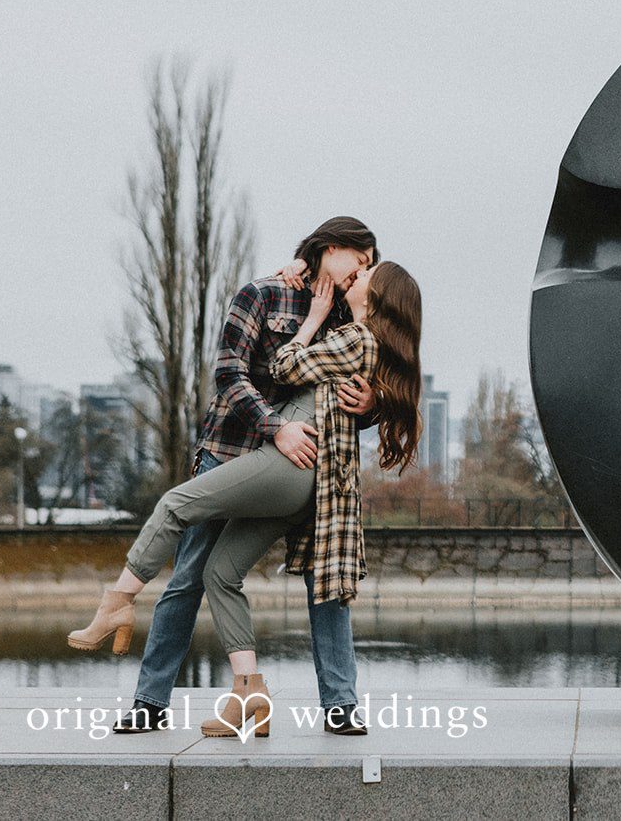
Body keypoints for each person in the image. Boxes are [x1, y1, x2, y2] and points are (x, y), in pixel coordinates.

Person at [69, 217, 392, 736]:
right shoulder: (263, 293)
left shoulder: (351, 315)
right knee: (190, 577)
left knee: (324, 584)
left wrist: (374, 403)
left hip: (312, 465)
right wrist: (274, 427)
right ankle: (150, 703)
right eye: (362, 258)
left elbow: (351, 389)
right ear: (334, 248)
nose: (366, 270)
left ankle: (340, 705)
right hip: (232, 450)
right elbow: (228, 373)